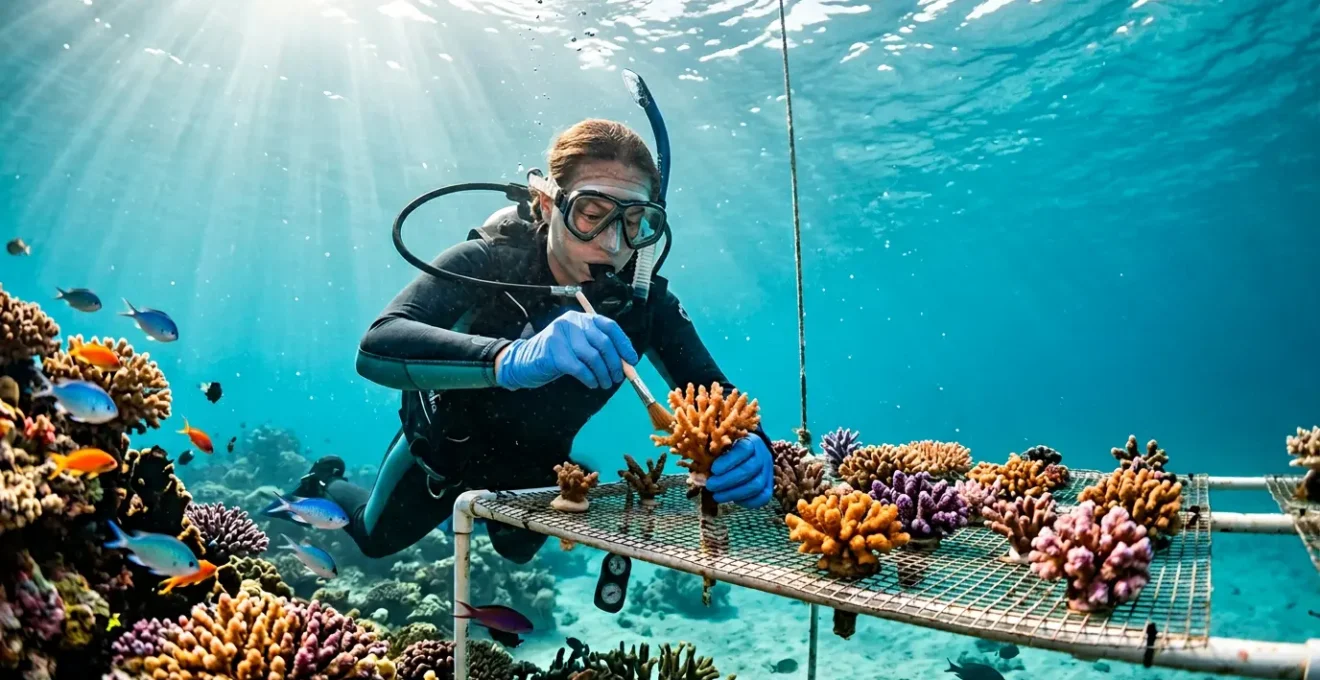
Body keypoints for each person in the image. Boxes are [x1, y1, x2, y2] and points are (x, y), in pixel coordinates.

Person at [288, 118, 775, 563]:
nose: (612, 244)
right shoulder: (489, 264)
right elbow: (376, 346)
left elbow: (715, 393)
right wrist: (511, 357)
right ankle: (326, 481)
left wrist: (753, 444)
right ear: (548, 204)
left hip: (537, 470)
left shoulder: (642, 303)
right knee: (374, 541)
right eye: (591, 212)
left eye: (634, 222)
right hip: (441, 458)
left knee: (518, 553)